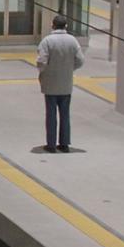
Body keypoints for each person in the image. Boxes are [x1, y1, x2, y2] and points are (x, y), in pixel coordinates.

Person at [36, 15, 84, 153]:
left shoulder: (47, 41)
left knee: (50, 114)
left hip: (50, 83)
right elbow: (80, 60)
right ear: (66, 26)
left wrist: (44, 71)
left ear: (52, 25)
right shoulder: (73, 41)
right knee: (65, 114)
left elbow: (41, 61)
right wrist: (69, 69)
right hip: (66, 83)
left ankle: (51, 144)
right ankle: (64, 143)